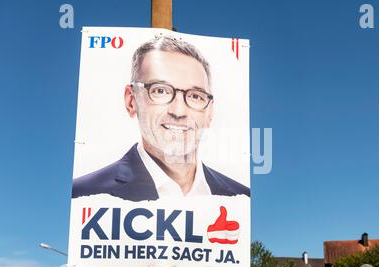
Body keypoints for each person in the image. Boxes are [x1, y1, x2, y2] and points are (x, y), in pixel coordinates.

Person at [72, 36, 250, 202]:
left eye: (196, 96)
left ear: (210, 112)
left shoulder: (240, 197)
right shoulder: (84, 194)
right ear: (131, 100)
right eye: (160, 91)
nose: (179, 111)